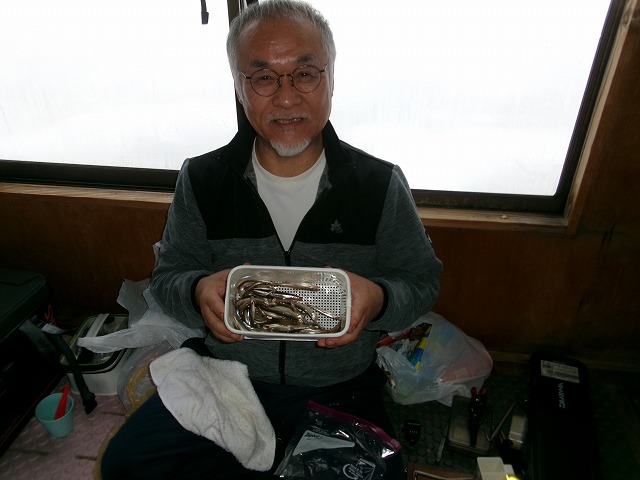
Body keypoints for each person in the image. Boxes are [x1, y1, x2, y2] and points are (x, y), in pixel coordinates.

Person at [101, 0, 442, 478]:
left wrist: (379, 299)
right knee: (126, 466)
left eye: (305, 74)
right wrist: (197, 291)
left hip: (340, 383)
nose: (285, 98)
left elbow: (421, 282)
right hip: (226, 376)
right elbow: (169, 277)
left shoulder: (378, 183)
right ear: (239, 86)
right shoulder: (203, 179)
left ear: (330, 79)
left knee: (377, 474)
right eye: (263, 77)